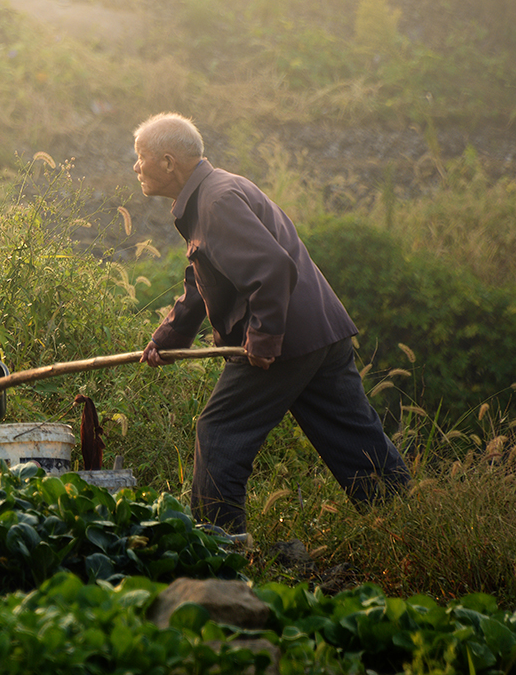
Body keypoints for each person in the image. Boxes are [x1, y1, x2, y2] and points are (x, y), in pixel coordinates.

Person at [133, 112, 410, 535]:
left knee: (219, 430)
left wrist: (263, 339)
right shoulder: (211, 194)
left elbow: (273, 269)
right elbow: (202, 280)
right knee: (354, 437)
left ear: (168, 162)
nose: (136, 167)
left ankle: (219, 544)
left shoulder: (216, 201)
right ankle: (407, 523)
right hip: (320, 333)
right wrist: (169, 338)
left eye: (141, 157)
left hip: (284, 342)